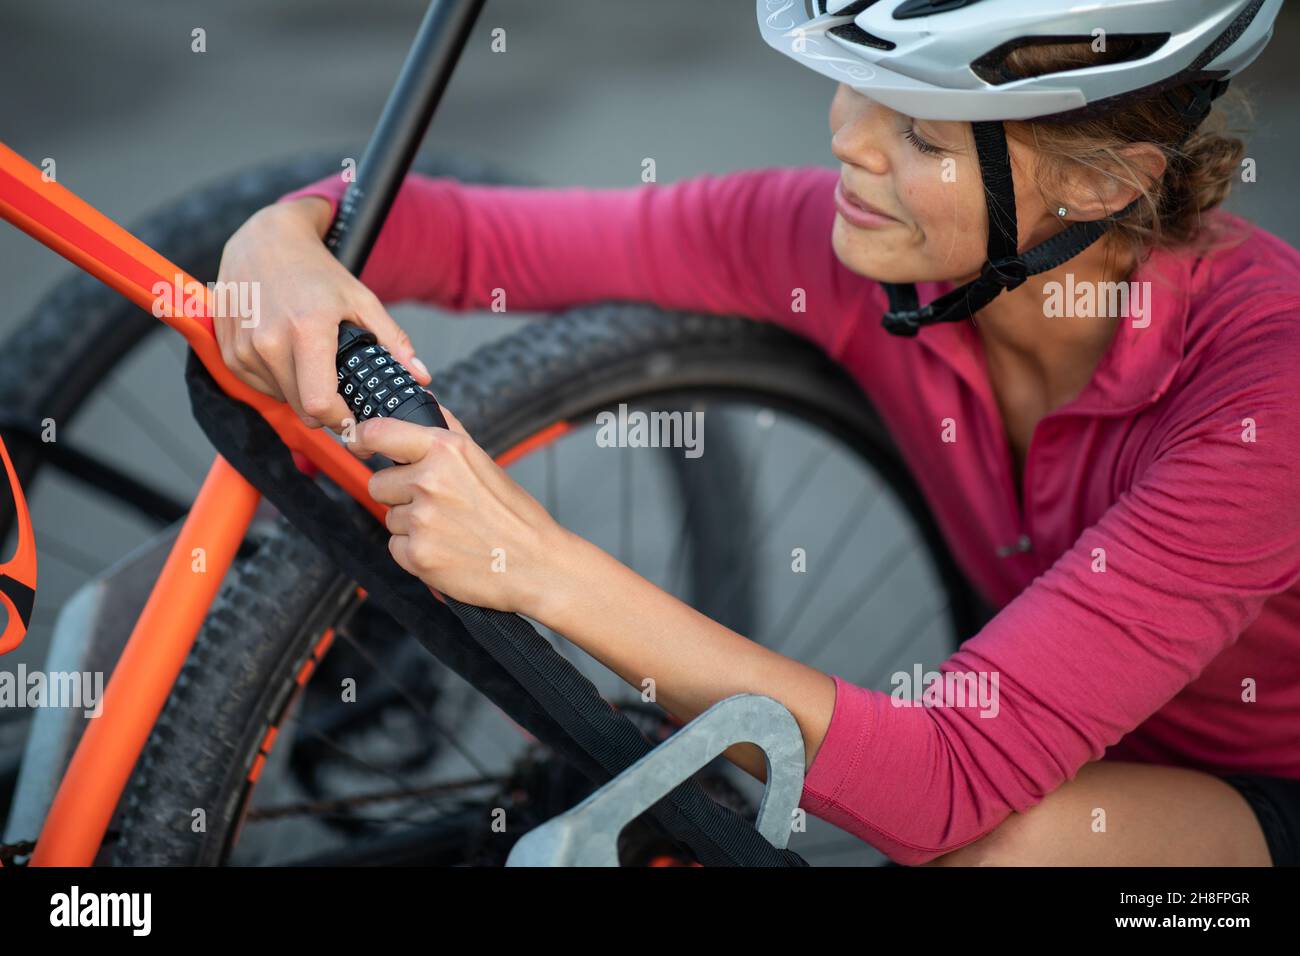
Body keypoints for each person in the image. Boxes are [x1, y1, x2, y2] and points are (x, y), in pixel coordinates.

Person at [213, 0, 1298, 865]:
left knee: (998, 849)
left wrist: (536, 564)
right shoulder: (858, 245)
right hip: (1070, 739)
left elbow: (949, 780)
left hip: (1259, 794)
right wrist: (286, 234)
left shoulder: (1267, 390)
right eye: (855, 87)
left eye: (917, 129)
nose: (846, 138)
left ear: (1103, 181)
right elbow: (475, 237)